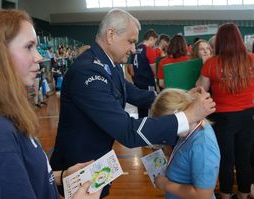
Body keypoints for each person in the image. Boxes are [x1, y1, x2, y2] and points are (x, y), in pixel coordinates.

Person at [50, 8, 215, 198]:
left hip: (95, 162)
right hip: (77, 168)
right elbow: (128, 131)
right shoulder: (88, 72)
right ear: (111, 35)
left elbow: (133, 93)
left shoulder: (110, 65)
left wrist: (182, 96)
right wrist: (186, 116)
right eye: (130, 41)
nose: (132, 48)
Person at [0, 9, 101, 199]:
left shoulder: (3, 114)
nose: (39, 57)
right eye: (29, 46)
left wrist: (62, 176)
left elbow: (24, 178)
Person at [196, 23, 254, 199]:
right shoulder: (251, 58)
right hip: (249, 115)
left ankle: (225, 195)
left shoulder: (212, 63)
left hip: (223, 118)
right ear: (239, 39)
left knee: (226, 160)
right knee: (245, 159)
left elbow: (200, 89)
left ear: (219, 41)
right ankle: (243, 195)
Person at [151, 88, 220, 199]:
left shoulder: (203, 146)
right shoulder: (189, 129)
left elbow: (203, 195)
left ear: (177, 115)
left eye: (166, 127)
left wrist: (165, 184)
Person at [130, 29, 158, 117]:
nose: (154, 44)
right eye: (155, 41)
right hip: (148, 83)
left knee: (141, 109)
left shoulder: (135, 49)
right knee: (154, 106)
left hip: (138, 83)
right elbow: (154, 71)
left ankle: (142, 125)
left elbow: (131, 70)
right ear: (151, 39)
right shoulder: (149, 50)